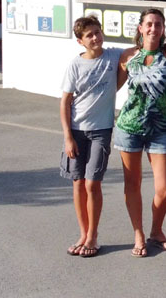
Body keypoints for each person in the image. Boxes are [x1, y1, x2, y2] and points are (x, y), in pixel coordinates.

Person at [116, 8, 166, 257]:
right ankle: (138, 234)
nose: (153, 29)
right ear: (140, 28)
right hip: (129, 127)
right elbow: (111, 87)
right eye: (149, 24)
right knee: (132, 185)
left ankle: (156, 230)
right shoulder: (127, 57)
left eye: (158, 25)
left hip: (161, 127)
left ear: (163, 29)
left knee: (165, 189)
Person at [59, 16, 122, 258]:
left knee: (92, 182)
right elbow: (65, 101)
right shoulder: (75, 65)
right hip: (76, 130)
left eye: (97, 32)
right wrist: (67, 137)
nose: (95, 37)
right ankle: (83, 234)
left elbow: (136, 51)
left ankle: (93, 235)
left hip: (101, 130)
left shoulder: (113, 56)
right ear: (80, 41)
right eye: (89, 35)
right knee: (78, 183)